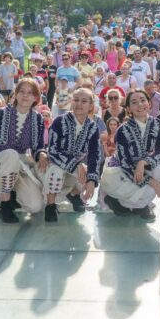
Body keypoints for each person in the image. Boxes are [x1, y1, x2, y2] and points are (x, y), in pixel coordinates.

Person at [0, 79, 47, 223]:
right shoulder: (0, 114)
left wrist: (42, 153)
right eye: (22, 91)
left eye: (30, 93)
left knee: (35, 206)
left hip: (21, 166)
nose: (25, 95)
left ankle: (13, 195)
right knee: (11, 154)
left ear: (36, 98)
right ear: (16, 94)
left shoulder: (37, 119)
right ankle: (5, 205)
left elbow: (37, 147)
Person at [100, 90, 160, 220]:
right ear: (128, 108)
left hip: (147, 167)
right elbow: (125, 163)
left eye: (143, 100)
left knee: (159, 170)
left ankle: (128, 204)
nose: (140, 105)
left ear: (149, 103)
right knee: (152, 188)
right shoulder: (122, 130)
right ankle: (135, 204)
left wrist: (144, 162)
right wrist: (153, 183)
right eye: (134, 102)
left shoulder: (156, 123)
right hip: (122, 172)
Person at [42, 88, 102, 222]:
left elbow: (95, 154)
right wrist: (76, 164)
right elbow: (53, 150)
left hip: (74, 168)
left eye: (84, 101)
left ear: (91, 106)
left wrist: (92, 180)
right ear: (71, 102)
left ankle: (74, 194)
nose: (79, 104)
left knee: (89, 175)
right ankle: (50, 205)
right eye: (76, 100)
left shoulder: (93, 127)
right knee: (56, 171)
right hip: (54, 165)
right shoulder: (59, 121)